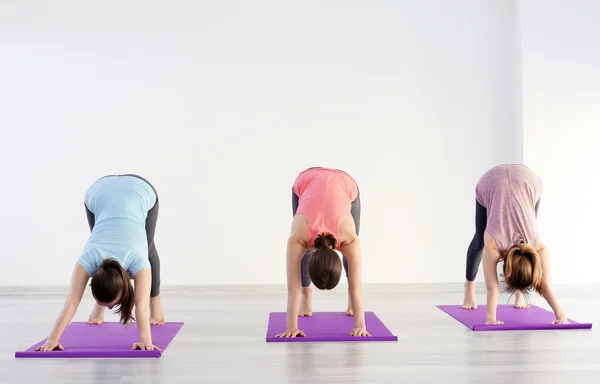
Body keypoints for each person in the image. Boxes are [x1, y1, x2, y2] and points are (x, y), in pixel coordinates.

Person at [35, 174, 165, 352]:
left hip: (139, 191)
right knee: (98, 233)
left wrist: (146, 341)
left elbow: (141, 306)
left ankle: (156, 301)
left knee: (148, 248)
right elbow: (70, 304)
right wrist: (52, 340)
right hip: (98, 193)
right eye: (108, 304)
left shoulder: (138, 260)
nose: (113, 307)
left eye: (109, 304)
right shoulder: (88, 258)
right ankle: (99, 307)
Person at [461, 164, 568, 325]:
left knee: (529, 217)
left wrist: (561, 316)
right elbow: (492, 288)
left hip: (528, 180)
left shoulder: (537, 246)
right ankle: (469, 287)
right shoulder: (493, 246)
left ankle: (519, 292)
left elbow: (545, 286)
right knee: (479, 237)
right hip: (492, 181)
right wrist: (490, 318)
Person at [274, 167, 369, 338]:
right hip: (306, 182)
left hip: (345, 184)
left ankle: (351, 304)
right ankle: (307, 296)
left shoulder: (349, 238)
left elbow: (357, 289)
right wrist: (291, 327)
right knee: (302, 252)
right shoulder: (298, 236)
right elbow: (293, 289)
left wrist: (360, 325)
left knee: (353, 259)